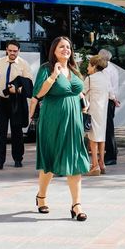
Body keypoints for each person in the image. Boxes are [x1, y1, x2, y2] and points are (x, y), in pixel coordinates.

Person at [32, 36, 91, 220]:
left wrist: (82, 99)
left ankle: (77, 205)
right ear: (54, 50)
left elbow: (77, 89)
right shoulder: (46, 68)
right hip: (52, 120)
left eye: (68, 47)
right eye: (61, 47)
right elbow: (38, 93)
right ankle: (41, 196)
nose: (66, 49)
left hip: (74, 121)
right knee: (49, 161)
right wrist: (54, 75)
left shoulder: (74, 68)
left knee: (74, 160)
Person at [0, 40, 34, 169]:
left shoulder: (24, 64)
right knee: (0, 132)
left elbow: (28, 84)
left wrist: (18, 90)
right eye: (10, 50)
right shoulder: (0, 62)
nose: (12, 53)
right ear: (6, 50)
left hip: (16, 101)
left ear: (19, 51)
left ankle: (18, 159)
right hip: (1, 100)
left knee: (17, 131)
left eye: (15, 51)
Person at [83, 55, 110, 176]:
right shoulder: (106, 77)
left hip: (93, 110)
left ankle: (95, 166)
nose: (88, 67)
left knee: (92, 138)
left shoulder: (90, 79)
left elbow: (82, 93)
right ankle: (102, 163)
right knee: (101, 137)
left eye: (89, 64)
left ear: (94, 66)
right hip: (103, 110)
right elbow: (110, 94)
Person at [98, 49, 119, 165]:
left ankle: (111, 156)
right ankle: (113, 151)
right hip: (111, 100)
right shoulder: (113, 68)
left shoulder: (105, 69)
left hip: (107, 99)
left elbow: (108, 87)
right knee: (109, 128)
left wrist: (113, 98)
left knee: (107, 129)